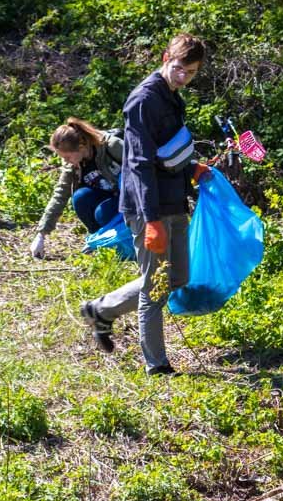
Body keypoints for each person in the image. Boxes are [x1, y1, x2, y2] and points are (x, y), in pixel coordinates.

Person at [79, 34, 211, 375]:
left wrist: (191, 168)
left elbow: (166, 150)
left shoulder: (172, 96)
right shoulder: (143, 100)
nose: (183, 77)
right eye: (179, 68)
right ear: (166, 57)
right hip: (147, 208)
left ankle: (102, 310)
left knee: (177, 277)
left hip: (174, 200)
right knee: (155, 287)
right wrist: (151, 221)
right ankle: (157, 365)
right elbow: (137, 163)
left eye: (191, 72)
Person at [29, 118, 124, 258]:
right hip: (109, 196)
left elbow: (145, 169)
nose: (66, 161)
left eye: (67, 157)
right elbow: (60, 194)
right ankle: (100, 243)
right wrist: (41, 235)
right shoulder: (73, 164)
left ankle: (121, 245)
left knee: (102, 213)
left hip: (130, 198)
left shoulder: (112, 146)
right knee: (80, 197)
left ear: (81, 147)